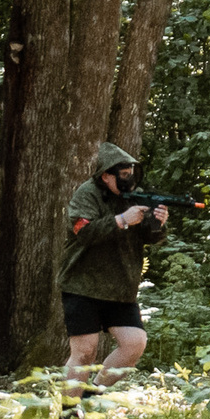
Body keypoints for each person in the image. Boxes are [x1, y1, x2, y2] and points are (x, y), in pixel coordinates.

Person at [60, 142, 170, 397]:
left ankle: (90, 395)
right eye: (123, 174)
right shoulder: (86, 195)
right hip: (82, 284)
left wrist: (157, 224)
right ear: (106, 175)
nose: (129, 179)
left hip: (121, 286)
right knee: (84, 351)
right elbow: (84, 232)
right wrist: (121, 220)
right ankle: (67, 415)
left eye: (131, 172)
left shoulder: (136, 194)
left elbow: (152, 238)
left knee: (134, 344)